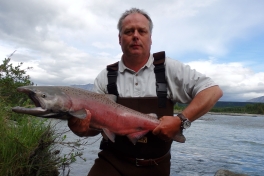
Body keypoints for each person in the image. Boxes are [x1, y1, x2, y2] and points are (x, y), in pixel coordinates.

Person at [68, 8, 223, 176]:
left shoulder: (169, 69)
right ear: (120, 39)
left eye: (142, 31)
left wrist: (181, 121)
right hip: (111, 162)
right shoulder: (105, 77)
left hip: (157, 166)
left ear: (150, 39)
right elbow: (95, 129)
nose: (136, 35)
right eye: (129, 31)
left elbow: (212, 91)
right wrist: (82, 130)